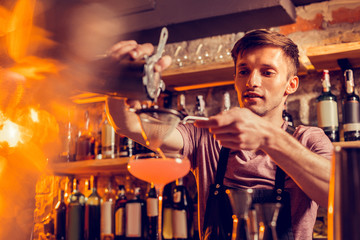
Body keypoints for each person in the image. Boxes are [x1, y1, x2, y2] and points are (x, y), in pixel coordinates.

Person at [106, 30, 333, 240]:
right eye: (243, 71)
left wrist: (268, 138)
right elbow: (130, 126)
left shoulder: (309, 140)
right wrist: (119, 86)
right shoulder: (205, 137)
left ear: (290, 85)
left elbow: (340, 196)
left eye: (267, 72)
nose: (252, 82)